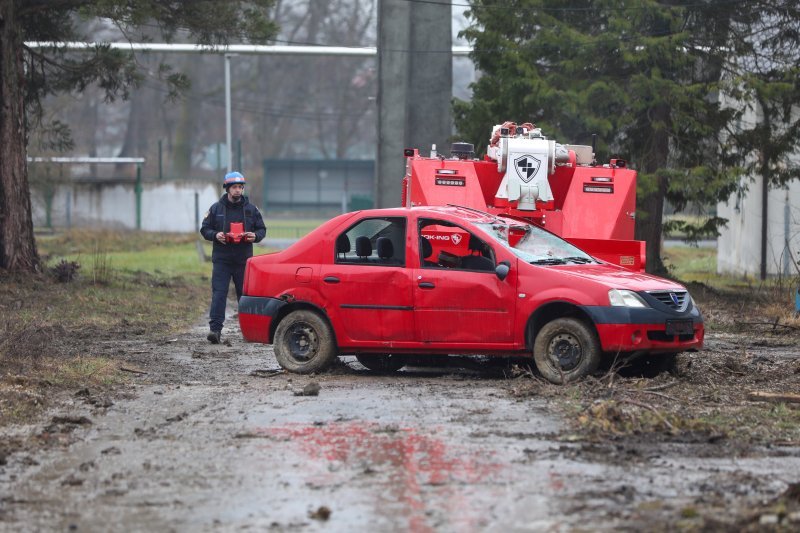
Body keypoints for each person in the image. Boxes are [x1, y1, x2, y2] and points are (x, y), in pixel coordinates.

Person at [200, 171, 266, 343]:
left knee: (244, 296)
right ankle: (215, 331)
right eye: (235, 187)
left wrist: (255, 236)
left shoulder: (252, 210)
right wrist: (215, 235)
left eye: (240, 187)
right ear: (227, 189)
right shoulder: (216, 209)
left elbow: (262, 230)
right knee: (219, 294)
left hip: (243, 260)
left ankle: (249, 332)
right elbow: (204, 229)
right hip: (222, 259)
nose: (238, 190)